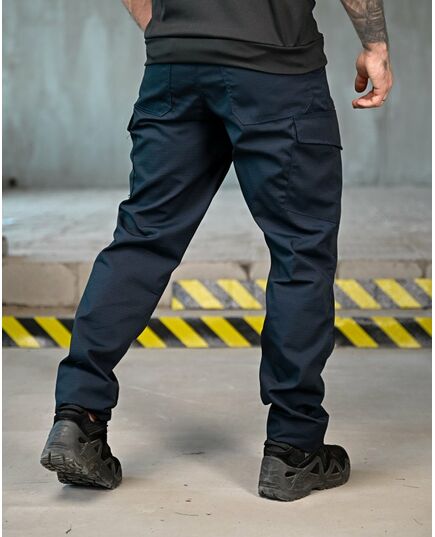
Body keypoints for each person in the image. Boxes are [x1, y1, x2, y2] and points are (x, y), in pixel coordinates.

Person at [41, 0, 393, 501]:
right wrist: (375, 46)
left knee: (143, 239)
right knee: (301, 251)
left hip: (175, 66)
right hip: (276, 69)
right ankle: (293, 448)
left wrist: (170, 31)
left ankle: (79, 417)